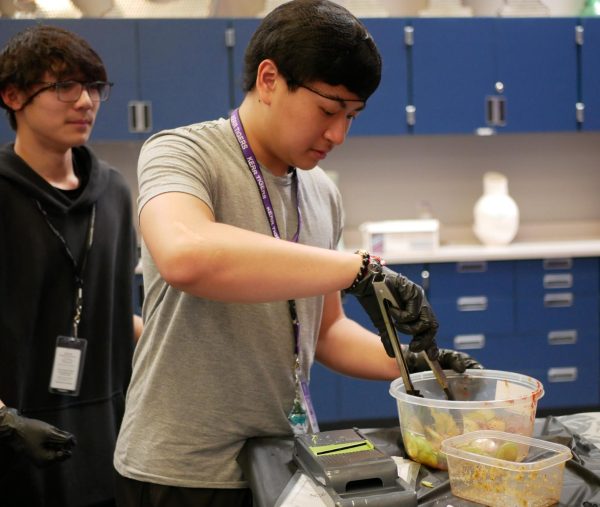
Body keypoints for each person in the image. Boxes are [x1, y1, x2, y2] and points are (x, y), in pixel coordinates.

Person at [113, 1, 481, 506]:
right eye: (328, 110)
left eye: (351, 117)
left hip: (287, 461)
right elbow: (186, 254)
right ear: (269, 79)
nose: (338, 135)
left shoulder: (321, 191)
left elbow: (325, 330)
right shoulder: (182, 153)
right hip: (182, 471)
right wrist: (358, 270)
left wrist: (410, 361)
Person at [0, 25, 139, 506]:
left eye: (93, 87)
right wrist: (4, 423)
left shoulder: (116, 193)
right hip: (17, 442)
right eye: (64, 87)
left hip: (108, 440)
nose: (85, 102)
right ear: (13, 96)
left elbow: (118, 315)